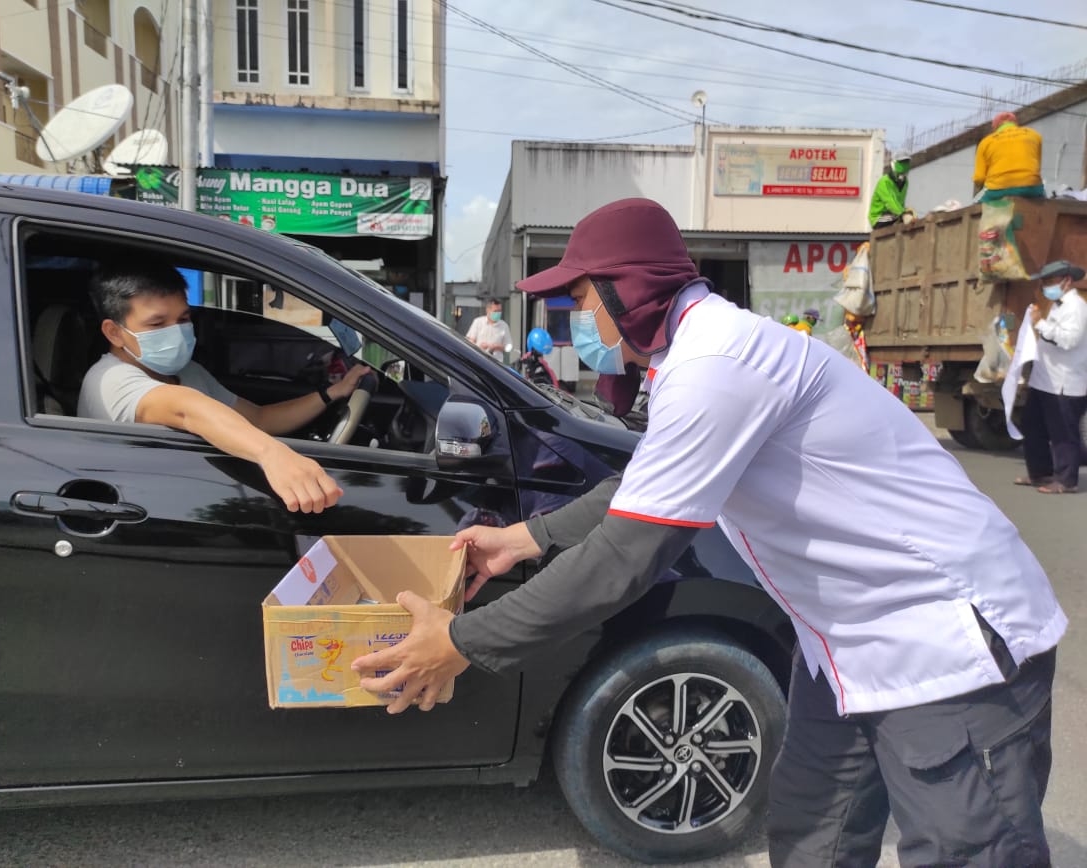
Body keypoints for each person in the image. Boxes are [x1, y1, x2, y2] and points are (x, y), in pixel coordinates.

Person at [352, 197, 1066, 867]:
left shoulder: (716, 366)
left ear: (626, 290)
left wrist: (457, 643)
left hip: (943, 636)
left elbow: (624, 560)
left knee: (967, 848)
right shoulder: (695, 360)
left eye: (581, 299)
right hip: (845, 644)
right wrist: (527, 539)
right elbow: (642, 490)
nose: (577, 319)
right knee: (813, 833)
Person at [77, 263, 371, 513]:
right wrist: (273, 455)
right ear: (114, 332)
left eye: (182, 319)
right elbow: (186, 409)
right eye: (156, 324)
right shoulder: (110, 380)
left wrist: (330, 393)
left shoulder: (187, 371)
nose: (176, 331)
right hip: (145, 511)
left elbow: (259, 419)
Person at [1015, 259, 1087, 494]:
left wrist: (1041, 325)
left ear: (1066, 281)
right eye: (1044, 282)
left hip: (1065, 384)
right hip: (1045, 380)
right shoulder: (1058, 305)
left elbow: (1068, 340)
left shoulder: (1076, 306)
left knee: (1063, 434)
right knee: (1032, 425)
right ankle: (1040, 473)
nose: (1046, 286)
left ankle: (1066, 481)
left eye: (1050, 281)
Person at [974, 112, 1044, 202]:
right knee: (1044, 196)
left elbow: (979, 178)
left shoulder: (986, 142)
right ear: (1015, 123)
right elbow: (1037, 167)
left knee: (974, 205)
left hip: (997, 191)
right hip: (1031, 188)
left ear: (995, 127)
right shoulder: (1034, 135)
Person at [867, 151, 914, 229]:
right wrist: (903, 214)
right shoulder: (885, 181)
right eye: (901, 162)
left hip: (894, 214)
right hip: (878, 217)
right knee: (900, 219)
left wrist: (906, 212)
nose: (904, 165)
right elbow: (890, 202)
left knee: (910, 219)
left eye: (906, 162)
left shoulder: (905, 182)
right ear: (893, 164)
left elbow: (901, 203)